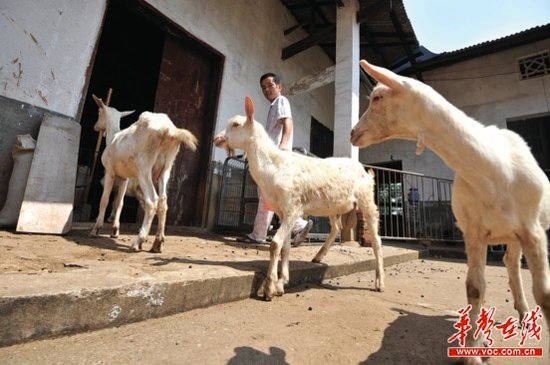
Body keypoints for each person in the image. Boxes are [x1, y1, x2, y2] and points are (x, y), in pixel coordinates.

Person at [239, 72, 313, 246]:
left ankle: (287, 228)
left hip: (277, 156)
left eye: (270, 85)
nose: (267, 90)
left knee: (268, 194)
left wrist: (283, 145)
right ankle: (295, 226)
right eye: (263, 88)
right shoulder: (274, 106)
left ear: (279, 86)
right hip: (271, 157)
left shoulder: (281, 101)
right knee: (270, 195)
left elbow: (288, 123)